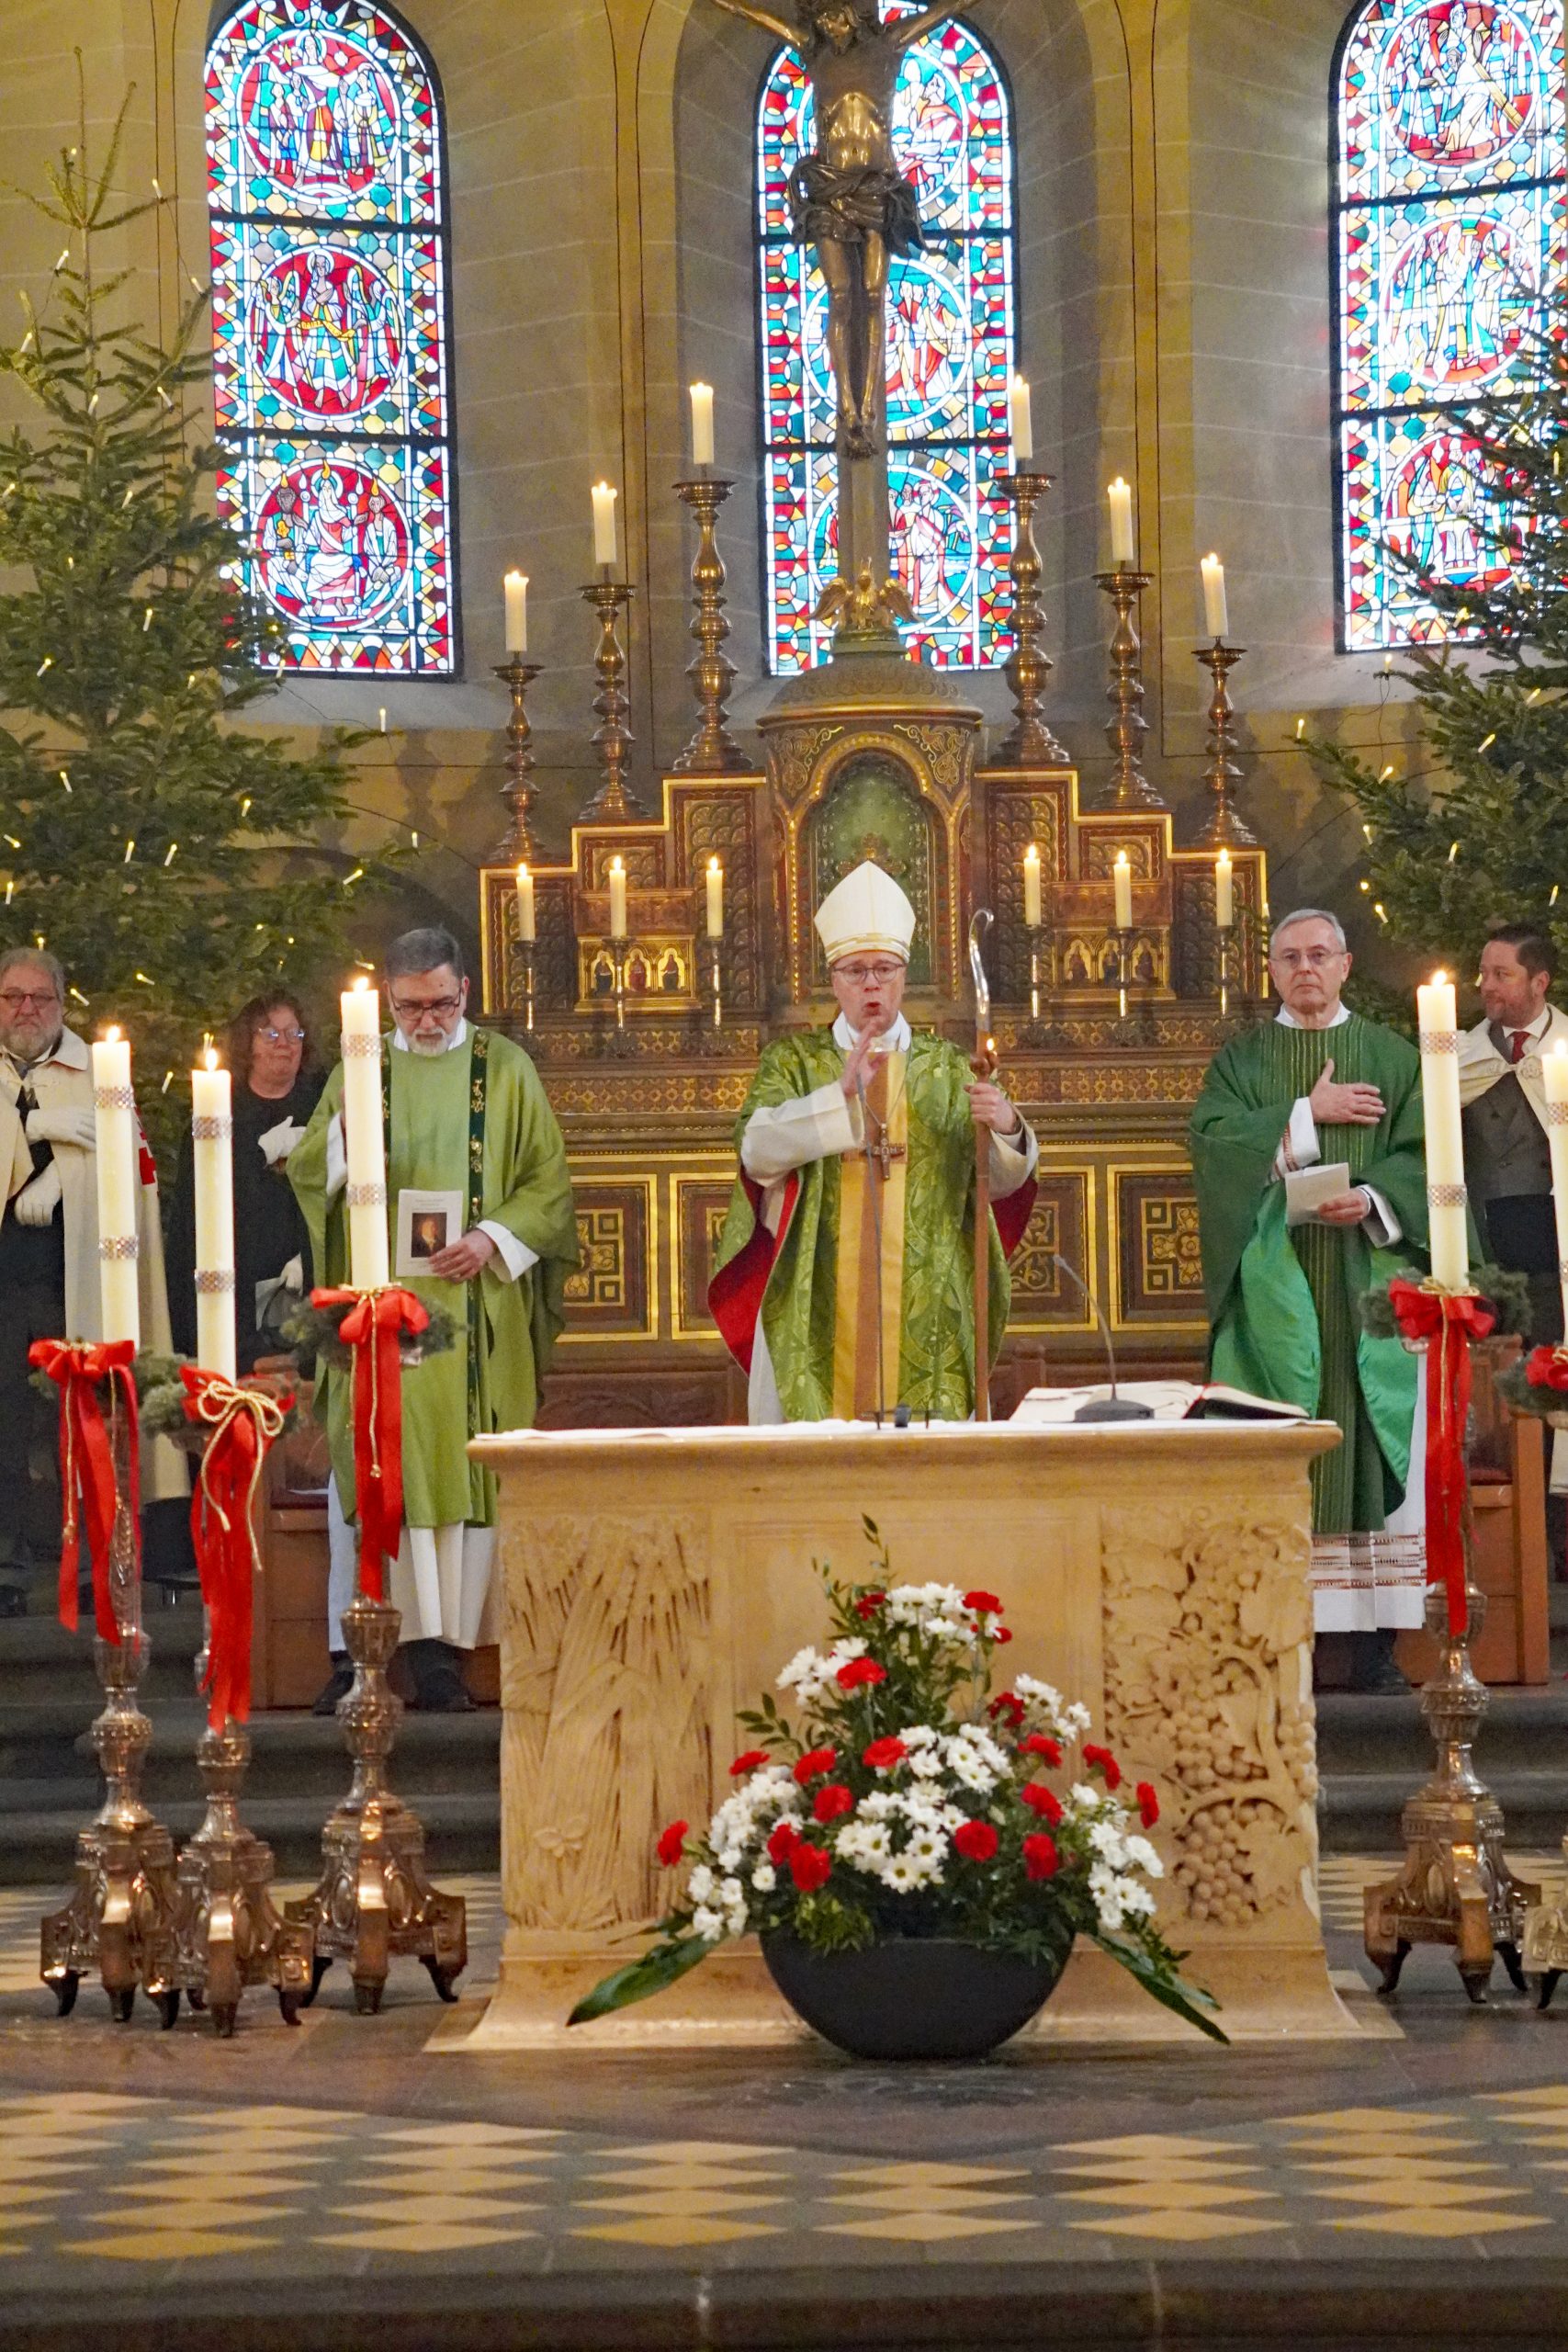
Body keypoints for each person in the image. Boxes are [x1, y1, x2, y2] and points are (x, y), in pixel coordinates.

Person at [289, 927, 578, 1713]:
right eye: (411, 1007)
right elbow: (310, 1171)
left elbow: (548, 1183)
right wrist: (343, 1142)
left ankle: (443, 1651)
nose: (427, 1021)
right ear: (387, 1000)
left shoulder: (503, 1069)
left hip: (472, 1310)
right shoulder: (361, 1070)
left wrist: (491, 1239)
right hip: (374, 1315)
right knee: (372, 1457)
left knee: (461, 1462)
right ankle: (355, 1650)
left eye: (441, 1004)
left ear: (465, 992)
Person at [1189, 909, 1430, 1692]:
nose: (1305, 969)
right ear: (1270, 970)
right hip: (1275, 1290)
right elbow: (1212, 1148)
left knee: (1365, 1440)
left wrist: (1375, 1200)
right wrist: (1305, 1116)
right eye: (1289, 957)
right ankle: (1274, 1634)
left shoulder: (1394, 1059)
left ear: (1345, 965)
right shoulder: (1242, 1060)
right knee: (1283, 1440)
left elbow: (1427, 1160)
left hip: (1367, 1286)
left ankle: (1374, 1644)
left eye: (1318, 954)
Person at [710, 860, 1038, 1421]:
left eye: (884, 969)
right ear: (833, 979)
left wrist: (1007, 1125)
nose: (871, 984)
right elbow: (756, 1153)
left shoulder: (950, 1067)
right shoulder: (793, 1063)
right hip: (817, 1300)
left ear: (904, 976)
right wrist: (836, 1100)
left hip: (930, 1303)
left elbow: (999, 1185)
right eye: (855, 970)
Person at [0, 948, 182, 1613]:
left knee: (81, 1419)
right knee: (4, 1419)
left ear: (61, 1003)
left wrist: (59, 1175)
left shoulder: (94, 1070)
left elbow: (126, 1163)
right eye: (13, 997)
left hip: (71, 1280)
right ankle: (5, 1565)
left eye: (41, 998)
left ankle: (94, 1558)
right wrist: (32, 1126)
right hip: (5, 1283)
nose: (27, 1010)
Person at [166, 992, 324, 1374]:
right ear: (247, 1044)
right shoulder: (220, 1110)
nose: (285, 1044)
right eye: (270, 1034)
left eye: (294, 1033)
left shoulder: (319, 1104)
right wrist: (259, 1154)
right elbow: (196, 1210)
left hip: (308, 1271)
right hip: (237, 1276)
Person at [1459, 927, 1568, 1348]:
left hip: (1555, 1248)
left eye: (1502, 975)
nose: (1486, 985)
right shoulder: (1458, 1057)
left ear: (1539, 982)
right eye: (1483, 973)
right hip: (1481, 1244)